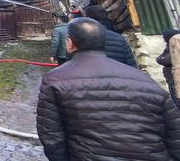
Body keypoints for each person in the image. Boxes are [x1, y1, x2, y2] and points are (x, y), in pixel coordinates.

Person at [36, 17, 180, 160]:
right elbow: (175, 134)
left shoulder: (55, 79)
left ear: (69, 44)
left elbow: (51, 137)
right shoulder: (146, 81)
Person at [157, 29, 180, 108]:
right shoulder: (168, 47)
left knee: (177, 102)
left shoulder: (175, 45)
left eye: (164, 37)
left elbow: (166, 60)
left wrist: (161, 59)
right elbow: (160, 58)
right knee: (175, 101)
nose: (163, 39)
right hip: (171, 79)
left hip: (175, 80)